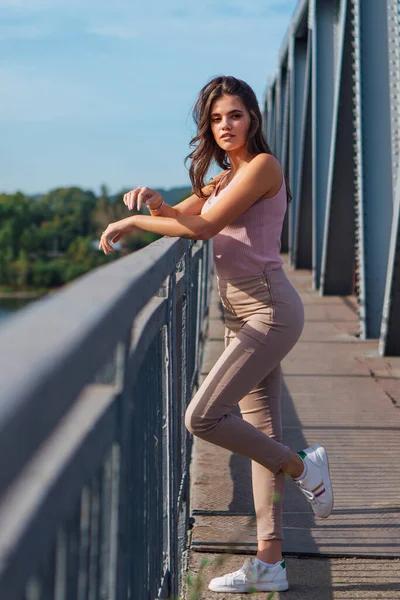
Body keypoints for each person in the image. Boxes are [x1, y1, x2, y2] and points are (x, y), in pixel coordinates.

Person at [99, 75, 333, 594]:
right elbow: (185, 216)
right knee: (260, 439)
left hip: (268, 311)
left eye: (234, 115)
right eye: (215, 118)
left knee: (202, 417)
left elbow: (202, 229)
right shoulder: (224, 178)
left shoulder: (261, 169)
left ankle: (303, 466)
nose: (225, 126)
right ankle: (269, 563)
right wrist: (156, 205)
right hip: (237, 313)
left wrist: (134, 224)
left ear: (253, 117)